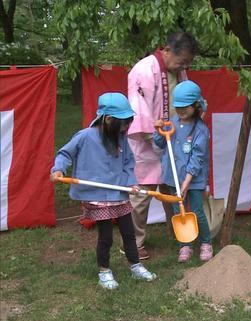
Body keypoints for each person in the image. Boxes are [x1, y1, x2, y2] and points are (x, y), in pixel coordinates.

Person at [50, 93, 157, 290]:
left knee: (129, 233)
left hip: (120, 195)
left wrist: (131, 183)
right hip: (98, 197)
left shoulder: (121, 138)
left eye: (128, 123)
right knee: (106, 237)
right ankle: (104, 271)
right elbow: (65, 153)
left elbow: (128, 163)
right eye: (123, 123)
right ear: (108, 119)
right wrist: (58, 169)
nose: (126, 128)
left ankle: (136, 266)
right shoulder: (85, 136)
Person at [127, 31, 199, 259]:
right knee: (141, 195)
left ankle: (180, 236)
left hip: (173, 138)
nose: (184, 66)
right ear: (166, 50)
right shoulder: (144, 69)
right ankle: (133, 243)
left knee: (175, 188)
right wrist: (153, 132)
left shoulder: (180, 72)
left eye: (187, 62)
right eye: (182, 61)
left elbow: (187, 99)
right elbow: (137, 107)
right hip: (147, 141)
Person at [153, 80, 212, 262]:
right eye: (178, 108)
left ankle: (205, 243)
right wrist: (158, 130)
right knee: (178, 213)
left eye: (185, 108)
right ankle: (185, 245)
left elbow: (196, 159)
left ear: (196, 105)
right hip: (173, 178)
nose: (181, 112)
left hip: (193, 180)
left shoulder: (200, 130)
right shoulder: (172, 124)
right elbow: (160, 143)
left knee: (196, 211)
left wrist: (186, 183)